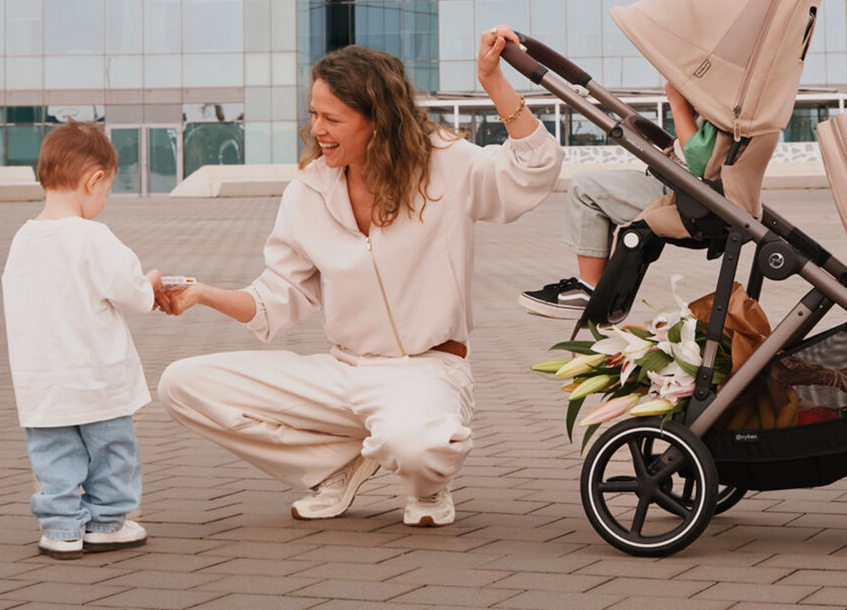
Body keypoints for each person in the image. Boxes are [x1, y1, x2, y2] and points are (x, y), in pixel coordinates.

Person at [154, 30, 562, 526]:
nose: (317, 129)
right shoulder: (308, 192)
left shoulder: (445, 163)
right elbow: (274, 298)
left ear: (377, 121)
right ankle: (337, 465)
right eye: (313, 113)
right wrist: (200, 294)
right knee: (182, 384)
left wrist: (492, 80)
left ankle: (427, 487)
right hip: (345, 373)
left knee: (414, 447)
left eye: (332, 118)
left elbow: (534, 170)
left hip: (427, 370)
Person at [2, 122, 160, 559]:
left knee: (53, 456)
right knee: (112, 452)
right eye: (106, 189)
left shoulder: (23, 239)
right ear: (93, 180)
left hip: (42, 381)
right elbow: (131, 292)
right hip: (96, 379)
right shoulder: (93, 237)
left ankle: (61, 529)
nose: (104, 199)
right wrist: (150, 283)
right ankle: (107, 522)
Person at [518, 84, 700, 318]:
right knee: (595, 185)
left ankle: (589, 287)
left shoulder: (717, 106)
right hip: (684, 185)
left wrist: (678, 104)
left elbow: (698, 160)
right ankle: (594, 286)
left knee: (585, 188)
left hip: (687, 194)